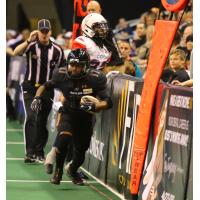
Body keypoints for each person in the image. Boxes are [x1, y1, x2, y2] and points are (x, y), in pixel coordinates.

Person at [31, 48, 112, 185]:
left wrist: (96, 106)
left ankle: (73, 170)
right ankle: (58, 172)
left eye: (79, 65)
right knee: (63, 139)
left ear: (86, 66)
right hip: (68, 113)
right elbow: (45, 85)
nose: (74, 68)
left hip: (85, 117)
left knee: (80, 152)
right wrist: (37, 97)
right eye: (72, 65)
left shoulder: (94, 79)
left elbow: (108, 101)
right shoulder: (61, 75)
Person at [13, 19, 66, 163]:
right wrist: (27, 40)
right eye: (41, 31)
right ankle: (30, 153)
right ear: (37, 31)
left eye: (46, 31)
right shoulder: (31, 46)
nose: (43, 34)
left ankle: (39, 151)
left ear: (50, 32)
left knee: (42, 120)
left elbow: (63, 71)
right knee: (31, 116)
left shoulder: (57, 50)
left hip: (47, 88)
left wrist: (63, 90)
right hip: (30, 87)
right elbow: (15, 52)